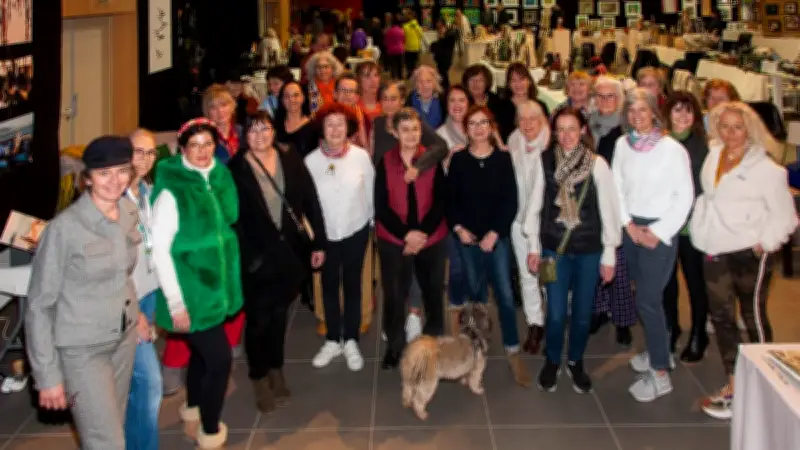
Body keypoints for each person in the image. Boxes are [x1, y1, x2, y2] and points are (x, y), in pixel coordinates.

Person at [26, 136, 141, 450]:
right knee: (107, 442)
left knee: (111, 426)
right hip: (82, 351)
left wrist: (137, 312)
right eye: (103, 173)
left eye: (121, 171)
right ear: (87, 178)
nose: (113, 180)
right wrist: (47, 375)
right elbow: (39, 306)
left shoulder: (129, 211)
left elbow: (122, 273)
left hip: (123, 340)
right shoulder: (65, 229)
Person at [692, 101, 797, 419]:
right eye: (724, 126)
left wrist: (764, 244)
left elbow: (786, 218)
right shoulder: (714, 155)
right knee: (723, 319)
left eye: (737, 127)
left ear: (750, 130)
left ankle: (769, 383)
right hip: (714, 248)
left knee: (752, 318)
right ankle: (735, 384)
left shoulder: (768, 170)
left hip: (748, 253)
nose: (730, 133)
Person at [151, 118, 244, 448]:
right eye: (195, 145)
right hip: (192, 293)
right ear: (182, 148)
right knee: (220, 360)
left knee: (202, 358)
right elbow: (159, 250)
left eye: (208, 144)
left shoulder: (218, 176)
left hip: (217, 289)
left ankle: (191, 409)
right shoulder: (173, 190)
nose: (203, 152)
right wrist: (176, 303)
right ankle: (209, 428)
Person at [229, 112, 327, 414]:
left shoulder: (289, 156)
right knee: (259, 319)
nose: (260, 135)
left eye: (265, 129)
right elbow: (233, 220)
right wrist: (250, 257)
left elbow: (310, 199)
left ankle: (276, 368)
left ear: (274, 131)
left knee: (279, 314)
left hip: (289, 252)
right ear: (245, 135)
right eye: (253, 130)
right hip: (257, 256)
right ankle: (259, 376)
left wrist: (318, 242)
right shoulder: (236, 167)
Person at [527, 107, 621, 394]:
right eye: (561, 129)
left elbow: (609, 212)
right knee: (554, 312)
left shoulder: (597, 165)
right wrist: (533, 247)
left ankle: (576, 360)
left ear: (583, 130)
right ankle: (553, 359)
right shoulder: (543, 161)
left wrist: (609, 254)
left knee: (582, 313)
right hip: (552, 251)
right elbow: (534, 208)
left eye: (572, 129)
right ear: (554, 133)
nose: (566, 136)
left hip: (589, 251)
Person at [611, 88, 694, 402]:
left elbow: (684, 198)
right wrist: (628, 225)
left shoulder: (672, 150)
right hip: (632, 229)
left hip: (659, 233)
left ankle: (660, 371)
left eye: (642, 111)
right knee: (642, 296)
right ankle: (657, 350)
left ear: (654, 114)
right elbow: (616, 186)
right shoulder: (622, 144)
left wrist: (657, 233)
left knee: (648, 300)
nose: (636, 117)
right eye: (631, 111)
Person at [447, 105, 529, 386]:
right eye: (473, 124)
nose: (479, 128)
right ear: (465, 129)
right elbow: (451, 201)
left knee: (505, 295)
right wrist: (459, 229)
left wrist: (495, 233)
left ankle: (512, 348)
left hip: (497, 239)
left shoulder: (503, 160)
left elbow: (511, 201)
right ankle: (475, 349)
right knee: (476, 294)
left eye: (484, 123)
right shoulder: (458, 161)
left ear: (492, 127)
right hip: (468, 239)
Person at [373, 81, 449, 338]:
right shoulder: (386, 162)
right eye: (405, 130)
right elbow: (381, 206)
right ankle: (394, 345)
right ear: (395, 133)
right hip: (395, 237)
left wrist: (422, 234)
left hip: (431, 237)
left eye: (415, 130)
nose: (411, 135)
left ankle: (433, 338)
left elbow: (441, 201)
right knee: (393, 292)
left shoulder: (430, 161)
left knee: (433, 290)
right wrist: (407, 234)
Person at [305, 103, 375, 372]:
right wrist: (314, 239)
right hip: (325, 237)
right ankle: (333, 338)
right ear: (322, 129)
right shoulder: (311, 161)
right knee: (329, 288)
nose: (335, 129)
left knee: (354, 286)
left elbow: (370, 192)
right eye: (329, 124)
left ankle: (352, 340)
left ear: (349, 128)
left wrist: (371, 224)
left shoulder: (360, 157)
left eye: (340, 124)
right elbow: (307, 205)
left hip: (356, 231)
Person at [661, 92, 711, 362]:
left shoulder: (703, 146)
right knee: (667, 283)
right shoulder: (660, 143)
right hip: (666, 225)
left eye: (688, 111)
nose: (682, 116)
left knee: (695, 283)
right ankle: (671, 328)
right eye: (677, 110)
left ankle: (698, 334)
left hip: (691, 227)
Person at [591, 76, 636, 347]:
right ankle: (598, 311)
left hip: (617, 202)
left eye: (610, 96)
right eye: (600, 96)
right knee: (597, 261)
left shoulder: (626, 130)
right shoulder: (588, 124)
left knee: (618, 266)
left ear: (619, 100)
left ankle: (622, 319)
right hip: (590, 202)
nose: (605, 101)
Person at [125, 130, 163, 450]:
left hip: (148, 293)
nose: (145, 159)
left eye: (150, 153)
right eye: (138, 152)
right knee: (151, 384)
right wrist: (134, 312)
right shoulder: (114, 197)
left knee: (134, 384)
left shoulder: (147, 191)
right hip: (127, 302)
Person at [506, 101, 550, 354]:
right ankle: (535, 323)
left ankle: (552, 317)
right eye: (522, 119)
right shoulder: (514, 139)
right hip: (519, 221)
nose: (528, 124)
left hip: (545, 227)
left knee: (546, 275)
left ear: (543, 118)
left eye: (533, 118)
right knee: (526, 275)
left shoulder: (553, 144)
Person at [436, 85, 474, 332]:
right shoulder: (439, 136)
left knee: (475, 261)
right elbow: (435, 177)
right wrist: (449, 160)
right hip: (453, 208)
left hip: (478, 207)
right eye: (452, 100)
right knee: (458, 264)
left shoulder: (481, 129)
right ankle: (455, 304)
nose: (458, 105)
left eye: (462, 100)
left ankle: (473, 306)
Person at [496, 62, 550, 143]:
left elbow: (546, 133)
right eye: (513, 80)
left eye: (522, 79)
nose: (518, 84)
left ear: (529, 81)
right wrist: (502, 146)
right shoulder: (500, 106)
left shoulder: (541, 105)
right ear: (508, 84)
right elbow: (494, 132)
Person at [202, 84, 245, 164]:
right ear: (207, 111)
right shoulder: (204, 138)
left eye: (224, 105)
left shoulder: (243, 131)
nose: (220, 111)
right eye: (213, 107)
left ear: (232, 106)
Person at [274, 80, 318, 159]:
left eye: (296, 95)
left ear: (303, 98)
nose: (291, 100)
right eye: (286, 96)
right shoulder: (274, 126)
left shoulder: (314, 128)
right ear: (282, 100)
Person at [304, 51, 346, 115]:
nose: (322, 70)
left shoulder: (341, 85)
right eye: (318, 67)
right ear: (314, 69)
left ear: (333, 68)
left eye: (326, 66)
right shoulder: (307, 88)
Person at [406, 65, 447, 129]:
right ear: (416, 84)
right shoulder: (410, 99)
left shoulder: (442, 99)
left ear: (435, 83)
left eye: (429, 81)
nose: (425, 85)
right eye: (420, 81)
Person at [335, 73, 369, 148]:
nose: (347, 94)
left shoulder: (365, 118)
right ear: (335, 94)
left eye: (351, 91)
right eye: (343, 90)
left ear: (357, 97)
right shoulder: (325, 118)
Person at [430, 20, 458, 94]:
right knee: (443, 74)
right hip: (441, 58)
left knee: (443, 74)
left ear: (443, 25)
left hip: (445, 59)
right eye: (437, 27)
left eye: (440, 26)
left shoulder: (450, 34)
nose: (438, 28)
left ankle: (446, 90)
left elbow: (445, 45)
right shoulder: (446, 34)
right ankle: (445, 89)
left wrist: (442, 36)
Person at [403, 10, 424, 76]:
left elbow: (403, 37)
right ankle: (415, 74)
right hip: (416, 47)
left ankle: (410, 74)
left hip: (408, 47)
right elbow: (421, 35)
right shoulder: (418, 26)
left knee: (408, 62)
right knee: (415, 61)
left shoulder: (405, 26)